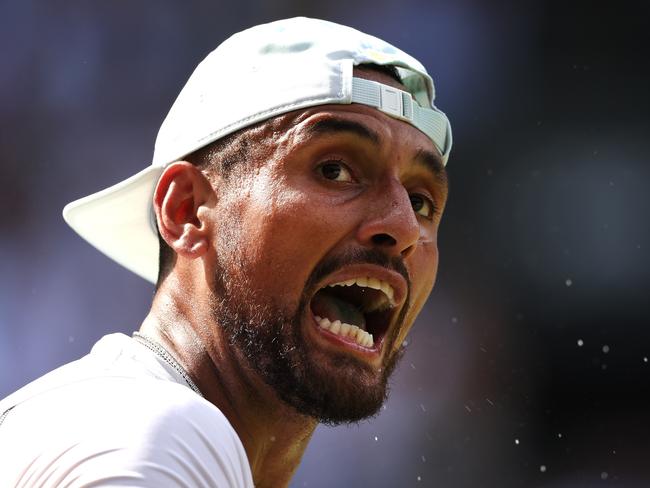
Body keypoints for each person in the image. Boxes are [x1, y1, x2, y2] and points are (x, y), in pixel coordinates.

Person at [0, 16, 451, 487]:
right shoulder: (159, 432)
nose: (403, 227)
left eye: (421, 202)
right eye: (335, 170)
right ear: (187, 210)